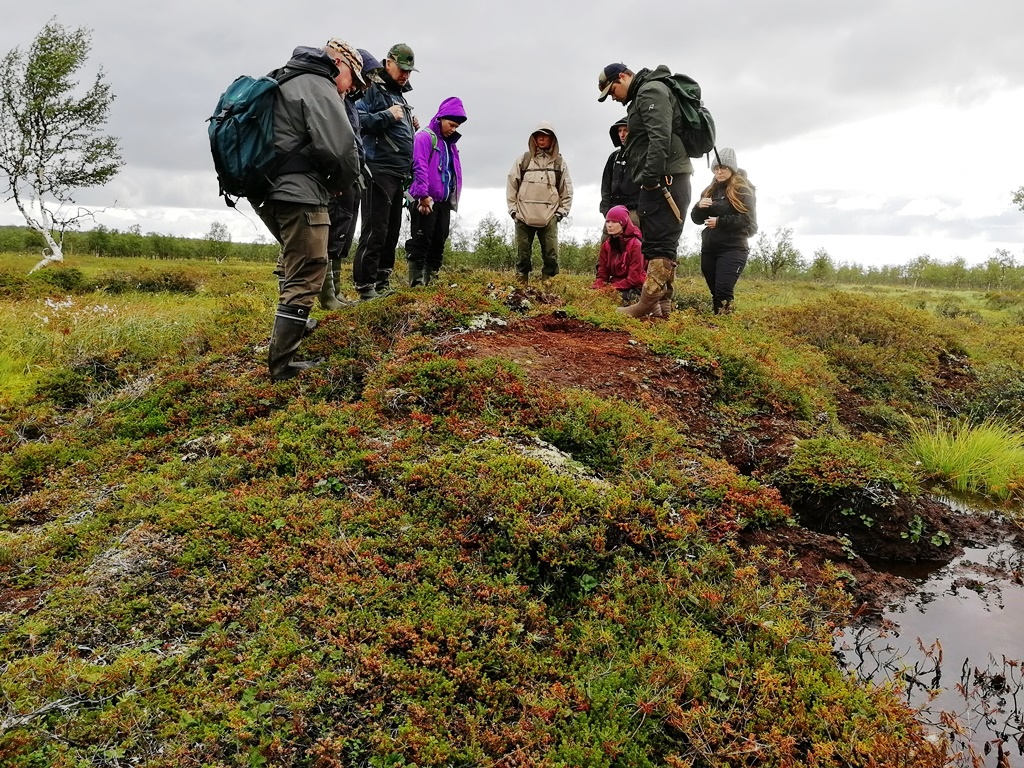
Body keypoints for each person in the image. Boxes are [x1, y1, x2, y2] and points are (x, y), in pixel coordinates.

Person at [252, 43, 361, 382]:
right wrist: (344, 182)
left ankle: (298, 324)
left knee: (293, 259)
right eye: (352, 79)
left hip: (266, 189)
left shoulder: (282, 77)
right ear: (338, 63)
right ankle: (282, 366)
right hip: (300, 193)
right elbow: (340, 148)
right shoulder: (317, 82)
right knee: (309, 268)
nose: (351, 88)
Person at [597, 62, 693, 319]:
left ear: (623, 77)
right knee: (657, 245)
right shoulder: (646, 92)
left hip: (665, 180)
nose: (614, 99)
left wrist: (650, 178)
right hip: (664, 179)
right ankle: (662, 309)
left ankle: (645, 305)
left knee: (660, 245)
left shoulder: (650, 91)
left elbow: (660, 135)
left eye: (612, 91)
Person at [352, 43, 418, 300]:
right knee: (375, 229)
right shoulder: (371, 90)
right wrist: (388, 116)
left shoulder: (400, 96)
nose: (405, 75)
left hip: (397, 173)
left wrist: (411, 126)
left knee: (391, 231)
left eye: (409, 71)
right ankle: (365, 286)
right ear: (388, 63)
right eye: (402, 69)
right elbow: (357, 120)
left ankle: (382, 281)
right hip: (376, 169)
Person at [320, 46, 383, 308]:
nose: (367, 85)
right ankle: (326, 296)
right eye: (364, 79)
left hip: (351, 176)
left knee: (342, 232)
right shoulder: (337, 98)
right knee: (330, 233)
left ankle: (335, 291)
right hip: (335, 178)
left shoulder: (349, 102)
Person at [405, 96, 467, 287]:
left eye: (456, 127)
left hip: (443, 201)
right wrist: (423, 195)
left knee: (439, 241)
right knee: (421, 241)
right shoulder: (424, 137)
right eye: (451, 124)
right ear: (440, 118)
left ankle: (430, 281)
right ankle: (416, 284)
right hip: (425, 200)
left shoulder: (451, 145)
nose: (453, 129)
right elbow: (419, 167)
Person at [690, 147, 757, 315]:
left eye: (723, 168)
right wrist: (698, 207)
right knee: (715, 293)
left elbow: (747, 220)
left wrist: (720, 222)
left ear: (731, 168)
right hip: (710, 247)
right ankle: (718, 328)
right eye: (716, 168)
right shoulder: (709, 190)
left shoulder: (743, 189)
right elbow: (696, 219)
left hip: (733, 248)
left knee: (723, 292)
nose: (719, 171)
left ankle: (726, 329)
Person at [506, 123, 573, 287]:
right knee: (522, 256)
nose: (541, 138)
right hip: (523, 216)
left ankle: (548, 293)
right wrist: (514, 211)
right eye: (538, 135)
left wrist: (560, 213)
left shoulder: (559, 163)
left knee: (551, 256)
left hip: (549, 216)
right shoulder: (524, 160)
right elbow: (511, 184)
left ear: (552, 139)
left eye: (545, 135)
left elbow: (567, 190)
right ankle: (520, 291)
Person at [591, 205, 646, 306]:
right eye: (607, 222)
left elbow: (634, 278)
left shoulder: (636, 245)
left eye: (614, 222)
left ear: (623, 223)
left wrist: (609, 289)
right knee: (591, 298)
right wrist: (597, 287)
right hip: (615, 285)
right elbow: (602, 273)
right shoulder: (607, 245)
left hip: (635, 288)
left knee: (612, 301)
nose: (609, 225)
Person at [599, 117, 640, 227]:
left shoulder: (641, 156)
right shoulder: (614, 156)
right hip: (614, 209)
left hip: (634, 210)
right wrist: (605, 209)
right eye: (619, 131)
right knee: (607, 242)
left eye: (625, 130)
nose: (622, 134)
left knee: (634, 242)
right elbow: (605, 185)